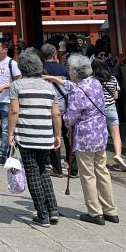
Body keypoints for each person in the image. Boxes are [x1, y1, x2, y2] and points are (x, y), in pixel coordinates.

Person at [48, 54, 119, 225]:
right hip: (100, 135)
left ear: (75, 72)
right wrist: (57, 80)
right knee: (102, 171)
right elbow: (73, 86)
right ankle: (110, 210)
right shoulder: (94, 83)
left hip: (85, 137)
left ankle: (95, 212)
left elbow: (70, 118)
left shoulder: (78, 92)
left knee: (87, 175)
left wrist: (62, 118)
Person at [7, 49, 61, 227]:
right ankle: (53, 209)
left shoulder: (17, 85)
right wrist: (57, 134)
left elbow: (15, 111)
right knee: (44, 170)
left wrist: (10, 132)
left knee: (32, 172)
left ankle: (42, 214)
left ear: (22, 67)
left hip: (27, 135)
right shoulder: (48, 86)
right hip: (45, 134)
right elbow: (56, 113)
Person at [41, 43, 76, 177]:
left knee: (53, 137)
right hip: (65, 107)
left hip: (49, 107)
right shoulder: (63, 70)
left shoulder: (41, 70)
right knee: (68, 138)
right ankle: (72, 168)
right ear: (55, 54)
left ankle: (57, 168)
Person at [0, 39, 21, 165]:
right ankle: (10, 142)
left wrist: (5, 87)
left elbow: (18, 82)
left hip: (7, 100)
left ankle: (2, 153)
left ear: (5, 49)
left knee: (6, 129)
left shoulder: (12, 63)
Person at [91, 58, 126, 172]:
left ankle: (99, 158)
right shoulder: (113, 78)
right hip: (111, 108)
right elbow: (116, 96)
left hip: (98, 110)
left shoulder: (92, 80)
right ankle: (118, 155)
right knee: (116, 135)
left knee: (99, 135)